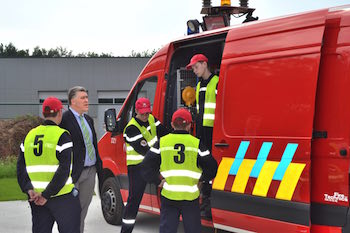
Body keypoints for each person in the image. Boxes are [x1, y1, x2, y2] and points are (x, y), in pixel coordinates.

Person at [141, 108, 218, 233]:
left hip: (169, 196)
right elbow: (212, 167)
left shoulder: (162, 143)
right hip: (190, 197)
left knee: (167, 230)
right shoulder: (196, 144)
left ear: (172, 124)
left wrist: (157, 180)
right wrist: (201, 179)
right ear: (189, 125)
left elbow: (145, 166)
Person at [17, 96, 81, 233]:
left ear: (43, 114)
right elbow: (64, 170)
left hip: (36, 197)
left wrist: (29, 189)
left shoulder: (29, 136)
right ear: (59, 113)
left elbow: (20, 168)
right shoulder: (62, 135)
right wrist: (47, 195)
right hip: (62, 197)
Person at [121, 97, 168, 233]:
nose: (145, 116)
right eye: (142, 113)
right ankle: (126, 231)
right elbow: (144, 150)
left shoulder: (152, 119)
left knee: (166, 195)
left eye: (147, 113)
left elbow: (165, 134)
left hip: (152, 165)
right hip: (137, 168)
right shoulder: (131, 128)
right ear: (136, 111)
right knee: (134, 201)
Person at [59, 86, 103, 233]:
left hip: (90, 172)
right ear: (73, 101)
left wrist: (98, 168)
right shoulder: (64, 120)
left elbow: (93, 145)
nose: (86, 100)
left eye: (86, 97)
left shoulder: (88, 119)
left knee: (82, 210)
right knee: (70, 211)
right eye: (82, 98)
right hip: (73, 173)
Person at [186, 53, 219, 218]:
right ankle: (204, 203)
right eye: (192, 68)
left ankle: (209, 204)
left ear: (204, 64)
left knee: (211, 167)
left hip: (213, 132)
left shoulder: (216, 82)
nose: (194, 70)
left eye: (195, 66)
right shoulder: (199, 86)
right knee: (203, 167)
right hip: (201, 131)